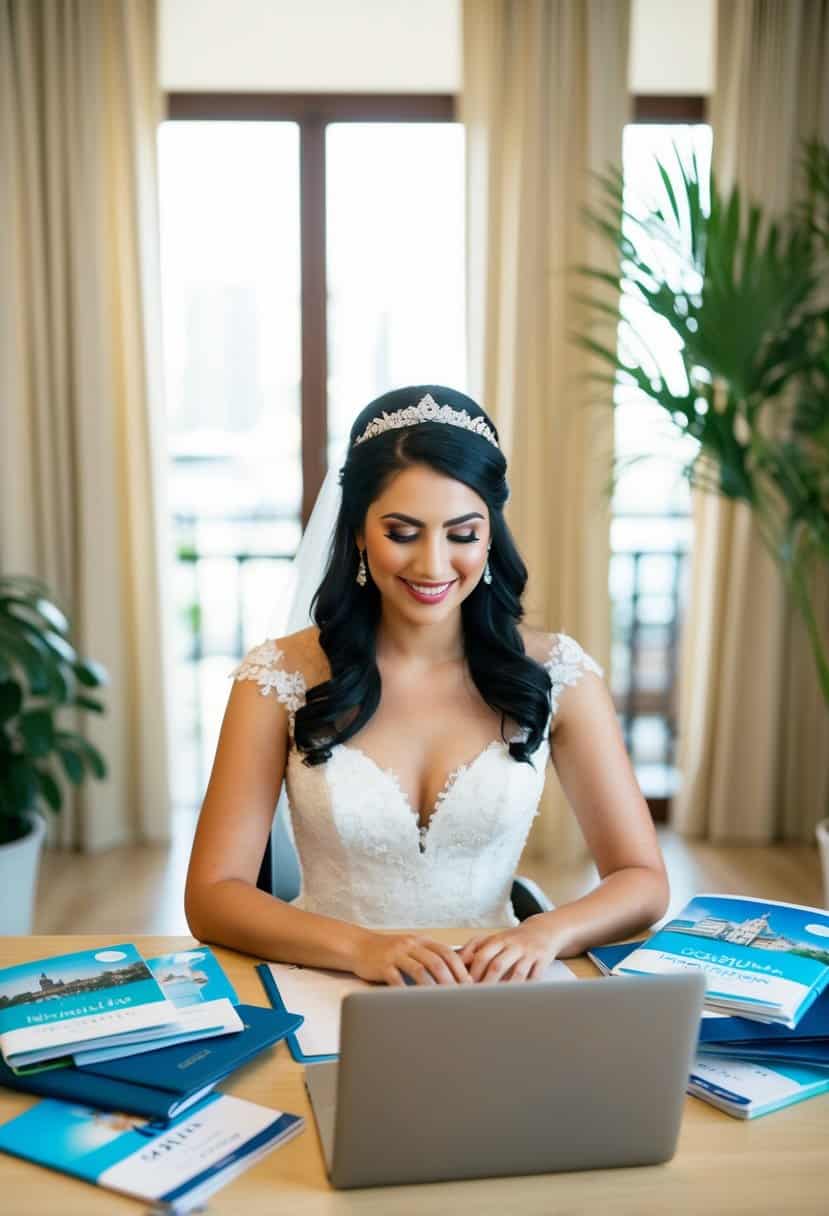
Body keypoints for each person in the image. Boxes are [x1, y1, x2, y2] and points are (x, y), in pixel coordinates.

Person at [185, 385, 669, 986]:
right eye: (403, 533)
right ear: (358, 533)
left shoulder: (559, 675)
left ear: (490, 535)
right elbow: (211, 896)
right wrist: (362, 950)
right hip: (329, 981)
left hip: (495, 991)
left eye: (462, 534)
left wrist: (544, 931)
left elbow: (642, 881)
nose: (434, 566)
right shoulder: (276, 678)